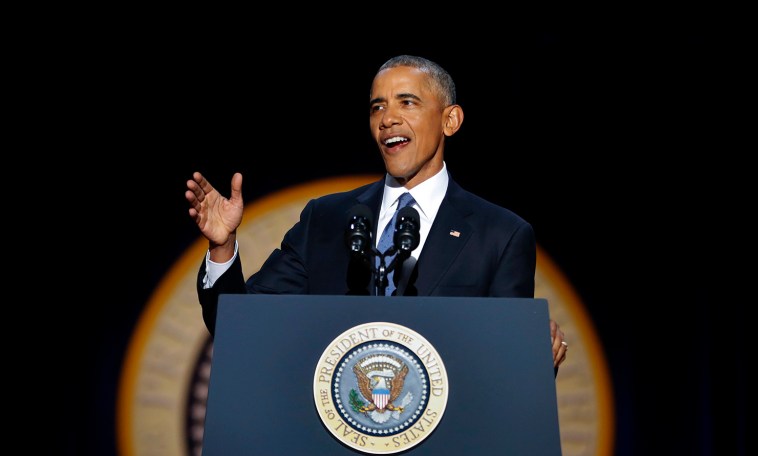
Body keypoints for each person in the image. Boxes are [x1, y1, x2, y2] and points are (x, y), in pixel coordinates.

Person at [185, 54, 568, 369]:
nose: (388, 119)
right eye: (377, 107)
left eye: (407, 102)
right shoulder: (326, 219)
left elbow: (505, 370)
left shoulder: (500, 235)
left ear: (450, 120)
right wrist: (223, 247)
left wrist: (533, 358)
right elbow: (240, 328)